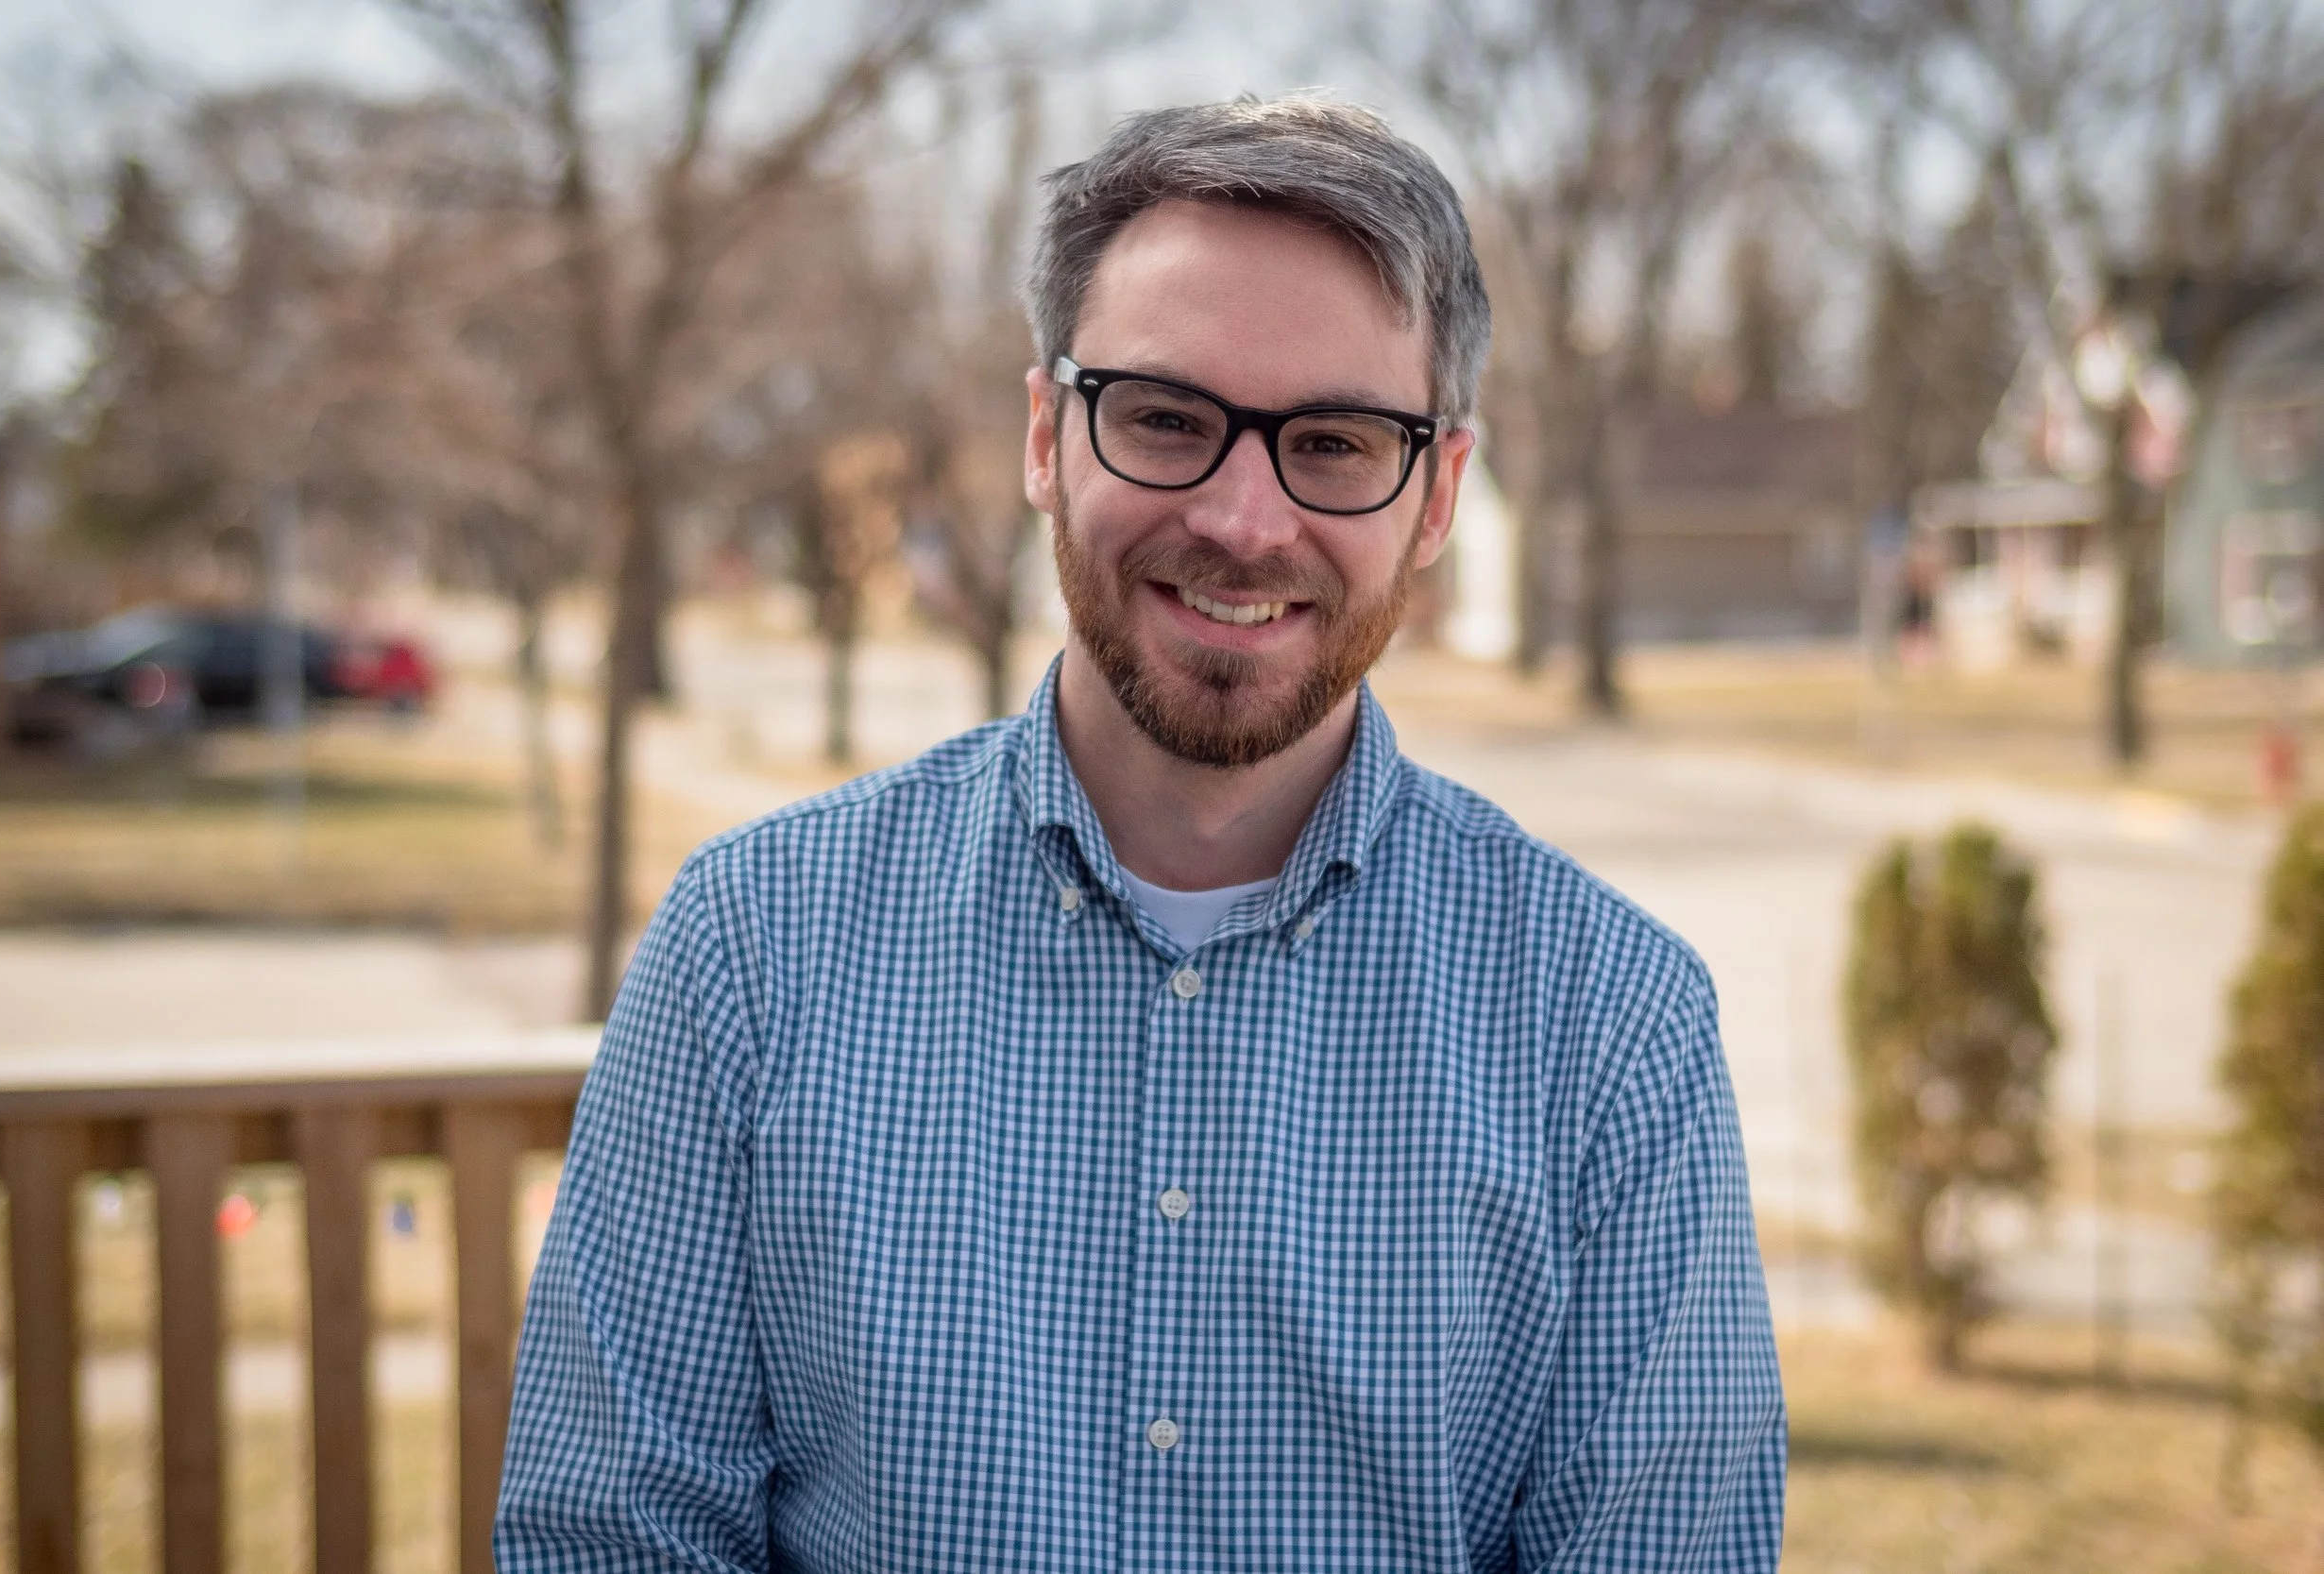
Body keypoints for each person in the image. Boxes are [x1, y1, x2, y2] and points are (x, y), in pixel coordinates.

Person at [498, 94, 1785, 1571]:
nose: (1243, 519)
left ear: (1437, 495)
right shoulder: (750, 949)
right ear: (1047, 439)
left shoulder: (1612, 1028)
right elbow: (613, 1539)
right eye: (1167, 418)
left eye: (1336, 441)